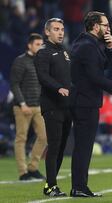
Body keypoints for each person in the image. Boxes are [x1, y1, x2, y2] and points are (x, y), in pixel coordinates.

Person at [70, 11, 112, 197]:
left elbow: (101, 66)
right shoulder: (87, 46)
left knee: (83, 146)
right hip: (85, 102)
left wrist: (109, 48)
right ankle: (79, 187)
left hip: (83, 101)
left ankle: (79, 186)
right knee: (84, 146)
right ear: (96, 26)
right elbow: (95, 77)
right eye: (105, 25)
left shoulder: (86, 43)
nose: (108, 28)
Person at [34, 18, 72, 197]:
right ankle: (50, 186)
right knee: (54, 145)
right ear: (47, 32)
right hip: (52, 105)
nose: (60, 32)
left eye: (62, 29)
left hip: (67, 106)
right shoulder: (43, 52)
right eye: (56, 29)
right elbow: (42, 76)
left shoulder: (64, 51)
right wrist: (58, 88)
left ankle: (51, 183)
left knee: (61, 147)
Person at [10, 33, 47, 181]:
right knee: (21, 138)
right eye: (37, 44)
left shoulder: (40, 62)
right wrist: (22, 104)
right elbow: (14, 84)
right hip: (22, 107)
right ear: (29, 45)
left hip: (37, 106)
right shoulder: (20, 61)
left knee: (44, 137)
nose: (40, 47)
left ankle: (33, 167)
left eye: (41, 44)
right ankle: (22, 172)